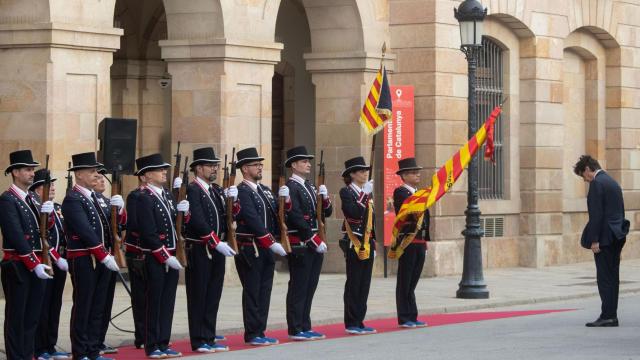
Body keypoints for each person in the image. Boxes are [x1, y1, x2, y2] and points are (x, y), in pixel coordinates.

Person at [62, 152, 121, 360]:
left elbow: (113, 225)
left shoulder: (95, 197)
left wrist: (119, 210)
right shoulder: (72, 199)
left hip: (102, 258)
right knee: (84, 305)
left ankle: (94, 349)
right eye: (92, 171)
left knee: (99, 306)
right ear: (79, 174)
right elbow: (85, 230)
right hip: (84, 259)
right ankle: (80, 351)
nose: (97, 175)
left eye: (97, 171)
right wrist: (103, 255)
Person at [135, 153, 189, 358]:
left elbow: (177, 225)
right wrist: (164, 255)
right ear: (145, 176)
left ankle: (163, 342)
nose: (164, 172)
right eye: (159, 169)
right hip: (155, 258)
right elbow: (148, 232)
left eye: (164, 169)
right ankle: (152, 345)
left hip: (170, 256)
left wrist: (185, 212)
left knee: (167, 302)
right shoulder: (143, 198)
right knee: (153, 302)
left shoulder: (166, 195)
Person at [234, 147, 289, 346]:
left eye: (260, 164)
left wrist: (286, 200)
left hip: (266, 248)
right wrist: (271, 242)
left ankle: (260, 330)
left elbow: (277, 214)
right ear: (245, 169)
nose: (260, 168)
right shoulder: (242, 191)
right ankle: (252, 333)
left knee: (264, 290)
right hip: (251, 248)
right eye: (255, 165)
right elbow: (251, 219)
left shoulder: (264, 190)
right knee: (252, 290)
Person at [184, 147, 237, 353]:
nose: (215, 169)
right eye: (210, 165)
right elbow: (196, 219)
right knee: (199, 294)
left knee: (213, 294)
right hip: (200, 248)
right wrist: (215, 241)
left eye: (216, 165)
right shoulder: (193, 190)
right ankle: (198, 339)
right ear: (198, 168)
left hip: (216, 249)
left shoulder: (214, 190)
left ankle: (209, 335)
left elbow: (228, 217)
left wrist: (234, 199)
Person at [0, 150, 52, 360]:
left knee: (32, 316)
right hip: (18, 265)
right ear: (15, 172)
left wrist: (48, 216)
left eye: (32, 169)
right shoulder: (7, 200)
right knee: (17, 316)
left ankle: (27, 354)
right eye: (27, 170)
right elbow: (15, 235)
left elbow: (43, 231)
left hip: (35, 263)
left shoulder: (32, 197)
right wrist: (34, 263)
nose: (32, 173)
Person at [283, 146, 332, 341]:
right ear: (294, 165)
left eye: (308, 161)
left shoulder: (310, 186)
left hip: (313, 243)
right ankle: (296, 327)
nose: (308, 164)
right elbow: (294, 217)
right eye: (304, 161)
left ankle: (305, 324)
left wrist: (325, 198)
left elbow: (324, 214)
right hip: (301, 244)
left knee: (310, 286)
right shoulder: (291, 187)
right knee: (299, 286)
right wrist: (313, 240)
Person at [574, 155, 629, 327]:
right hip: (616, 236)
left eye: (584, 176)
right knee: (613, 277)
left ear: (588, 169)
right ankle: (611, 314)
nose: (585, 179)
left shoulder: (597, 183)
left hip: (604, 238)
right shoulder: (612, 182)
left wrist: (595, 240)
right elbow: (619, 211)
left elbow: (596, 215)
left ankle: (608, 316)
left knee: (604, 278)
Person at [31, 169, 72, 360]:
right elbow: (42, 239)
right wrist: (56, 258)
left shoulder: (56, 207)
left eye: (53, 184)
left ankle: (50, 344)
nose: (53, 188)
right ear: (38, 190)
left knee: (55, 305)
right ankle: (39, 348)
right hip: (46, 263)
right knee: (43, 306)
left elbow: (63, 235)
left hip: (60, 263)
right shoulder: (37, 208)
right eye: (48, 185)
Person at [339, 156, 377, 335]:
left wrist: (374, 244)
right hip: (353, 243)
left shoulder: (366, 193)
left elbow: (371, 220)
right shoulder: (346, 192)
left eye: (365, 171)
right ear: (352, 174)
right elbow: (353, 214)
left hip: (367, 243)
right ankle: (351, 322)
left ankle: (360, 320)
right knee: (354, 283)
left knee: (365, 283)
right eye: (361, 171)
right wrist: (364, 195)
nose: (364, 173)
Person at [392, 157, 428, 328]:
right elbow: (408, 212)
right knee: (405, 279)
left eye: (417, 172)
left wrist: (426, 241)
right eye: (414, 173)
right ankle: (404, 317)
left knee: (413, 280)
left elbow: (425, 219)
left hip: (419, 240)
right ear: (404, 176)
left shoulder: (418, 193)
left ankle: (412, 314)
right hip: (408, 241)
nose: (417, 175)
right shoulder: (401, 192)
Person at [94, 168, 126, 355]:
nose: (101, 181)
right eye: (97, 177)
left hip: (110, 258)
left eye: (102, 177)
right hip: (97, 258)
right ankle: (91, 343)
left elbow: (121, 225)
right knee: (95, 304)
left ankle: (100, 339)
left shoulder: (107, 202)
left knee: (106, 303)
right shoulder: (83, 201)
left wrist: (120, 209)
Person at [124, 174, 146, 349]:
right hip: (138, 252)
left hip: (156, 251)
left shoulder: (163, 194)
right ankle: (142, 335)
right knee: (140, 296)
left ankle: (155, 333)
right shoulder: (135, 196)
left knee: (155, 296)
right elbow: (135, 223)